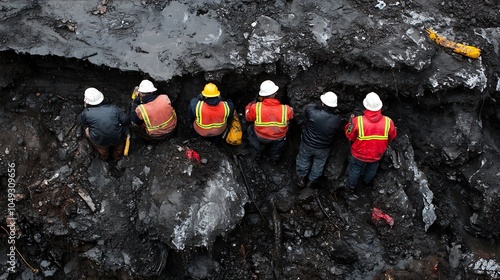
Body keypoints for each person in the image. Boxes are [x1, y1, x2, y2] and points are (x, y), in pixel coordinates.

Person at [345, 92, 397, 192]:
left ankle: (350, 188)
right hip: (377, 154)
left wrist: (350, 123)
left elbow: (349, 136)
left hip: (359, 154)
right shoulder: (388, 122)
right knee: (372, 169)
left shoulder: (357, 121)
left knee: (355, 170)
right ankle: (366, 183)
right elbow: (392, 136)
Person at [296, 92, 340, 188]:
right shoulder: (336, 120)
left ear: (323, 103)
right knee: (318, 165)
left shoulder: (313, 113)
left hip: (308, 144)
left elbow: (308, 109)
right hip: (323, 148)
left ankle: (301, 178)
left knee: (303, 160)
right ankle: (311, 182)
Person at [245, 80, 293, 164]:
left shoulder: (255, 108)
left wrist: (249, 107)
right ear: (275, 93)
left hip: (261, 137)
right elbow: (291, 117)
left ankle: (257, 152)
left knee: (249, 129)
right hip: (279, 139)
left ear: (262, 95)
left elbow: (248, 118)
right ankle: (274, 160)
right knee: (288, 129)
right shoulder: (286, 109)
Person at [79, 87, 129, 161]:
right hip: (117, 138)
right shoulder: (113, 109)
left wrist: (86, 107)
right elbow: (125, 121)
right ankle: (117, 157)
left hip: (101, 141)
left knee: (87, 131)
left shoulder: (86, 113)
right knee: (118, 147)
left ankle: (104, 156)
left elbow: (82, 123)